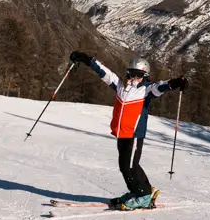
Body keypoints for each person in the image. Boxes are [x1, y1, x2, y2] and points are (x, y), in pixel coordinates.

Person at [69, 51, 187, 209]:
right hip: (121, 133)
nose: (133, 78)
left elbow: (161, 86)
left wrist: (175, 83)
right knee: (128, 165)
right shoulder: (120, 86)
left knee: (129, 167)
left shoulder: (146, 91)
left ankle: (143, 196)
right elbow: (104, 72)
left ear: (144, 75)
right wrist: (86, 59)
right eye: (131, 74)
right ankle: (142, 190)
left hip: (134, 134)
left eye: (138, 75)